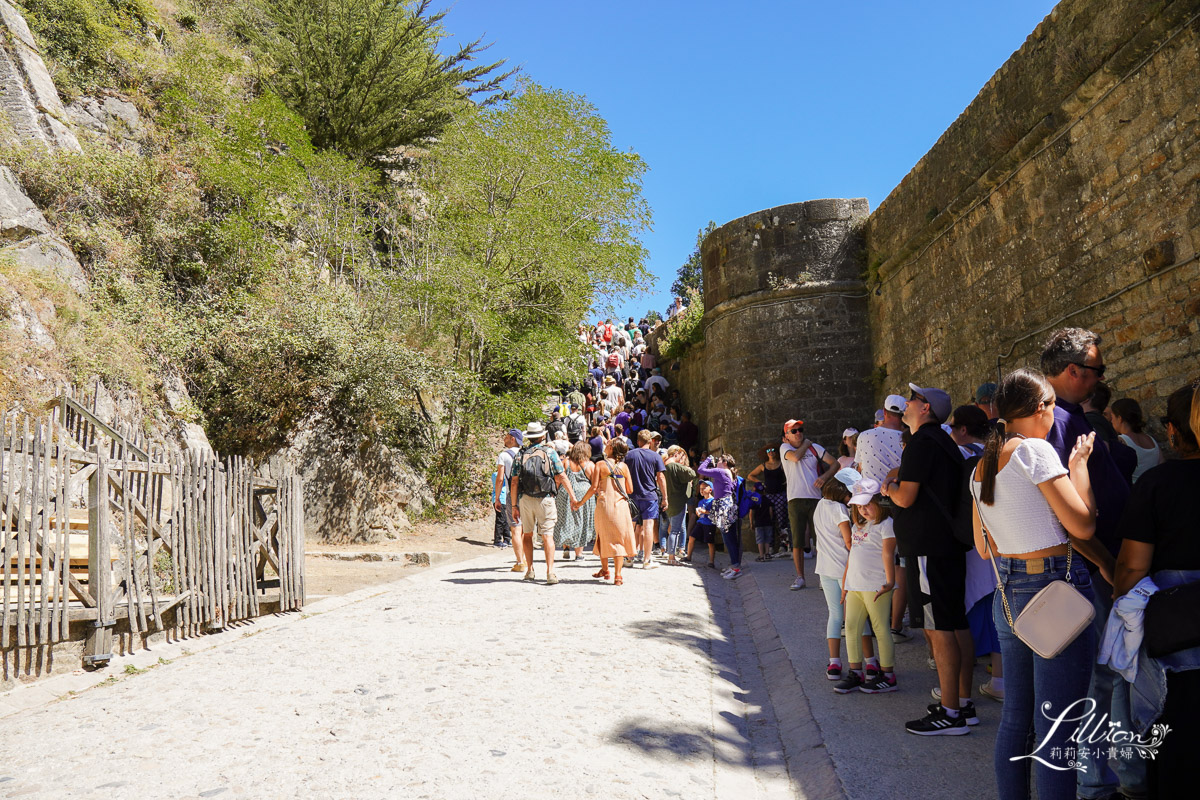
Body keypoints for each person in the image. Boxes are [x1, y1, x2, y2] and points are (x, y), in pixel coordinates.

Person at [969, 367, 1099, 793]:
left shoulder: (981, 467)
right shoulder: (1034, 452)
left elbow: (985, 547)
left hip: (1008, 594)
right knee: (1058, 726)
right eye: (1053, 406)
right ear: (1040, 408)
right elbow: (1082, 526)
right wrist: (1079, 467)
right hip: (1052, 590)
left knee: (1017, 720)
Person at [1039, 327, 1142, 799]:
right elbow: (1063, 515)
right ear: (1074, 370)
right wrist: (1105, 562)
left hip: (1107, 561)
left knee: (1111, 672)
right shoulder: (1057, 423)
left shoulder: (1070, 418)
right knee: (1105, 675)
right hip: (1095, 567)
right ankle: (1099, 780)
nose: (1102, 378)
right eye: (1098, 370)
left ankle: (1109, 777)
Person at [1113, 380, 1200, 797]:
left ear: (1173, 431)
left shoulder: (1158, 484)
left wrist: (1120, 607)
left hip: (1177, 628)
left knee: (1174, 730)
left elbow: (1133, 564)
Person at [882, 383, 975, 736]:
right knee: (955, 622)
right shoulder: (945, 442)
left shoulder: (921, 443)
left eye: (912, 400)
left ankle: (950, 713)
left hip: (927, 547)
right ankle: (961, 703)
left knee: (938, 629)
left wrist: (887, 487)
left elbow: (905, 498)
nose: (906, 403)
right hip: (946, 545)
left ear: (925, 409)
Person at [834, 478, 899, 694]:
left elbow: (888, 553)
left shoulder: (886, 525)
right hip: (855, 586)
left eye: (867, 504)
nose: (863, 510)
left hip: (876, 587)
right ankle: (856, 672)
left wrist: (890, 582)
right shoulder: (857, 525)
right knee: (852, 628)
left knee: (881, 629)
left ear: (879, 502)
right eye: (859, 506)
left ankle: (888, 676)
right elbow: (852, 555)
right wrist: (845, 585)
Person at [814, 468, 875, 682]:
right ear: (844, 491)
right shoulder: (840, 510)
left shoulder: (820, 505)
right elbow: (849, 542)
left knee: (835, 616)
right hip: (845, 570)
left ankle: (834, 662)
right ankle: (870, 662)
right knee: (858, 617)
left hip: (825, 568)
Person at [858, 395, 911, 634]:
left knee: (872, 558)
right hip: (899, 500)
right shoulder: (908, 438)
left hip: (872, 504)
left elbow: (859, 469)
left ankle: (872, 618)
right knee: (900, 564)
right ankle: (895, 625)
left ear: (884, 412)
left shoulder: (866, 436)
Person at [510, 422, 576, 586]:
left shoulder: (521, 454)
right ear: (542, 436)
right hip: (546, 498)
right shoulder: (550, 452)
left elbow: (514, 482)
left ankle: (530, 570)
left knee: (527, 534)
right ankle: (550, 572)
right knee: (547, 536)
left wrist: (514, 505)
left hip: (525, 498)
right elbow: (562, 476)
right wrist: (573, 497)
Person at [780, 419, 839, 590]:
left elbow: (835, 463)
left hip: (815, 499)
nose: (798, 433)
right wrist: (806, 443)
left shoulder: (815, 448)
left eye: (800, 430)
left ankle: (824, 577)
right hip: (795, 499)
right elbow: (796, 458)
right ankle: (800, 577)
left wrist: (824, 477)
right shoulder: (785, 448)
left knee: (820, 540)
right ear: (787, 436)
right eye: (794, 431)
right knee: (797, 541)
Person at [572, 438, 638, 585]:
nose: (606, 445)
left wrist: (580, 502)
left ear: (612, 449)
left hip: (604, 505)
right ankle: (618, 575)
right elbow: (630, 490)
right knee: (619, 539)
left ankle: (605, 569)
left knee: (603, 536)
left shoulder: (600, 465)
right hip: (621, 507)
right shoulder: (624, 467)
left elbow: (594, 487)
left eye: (608, 444)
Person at [624, 430, 668, 569]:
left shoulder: (629, 455)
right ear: (650, 442)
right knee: (649, 527)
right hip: (649, 496)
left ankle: (629, 558)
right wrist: (665, 498)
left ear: (638, 441)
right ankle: (647, 560)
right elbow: (660, 477)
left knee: (630, 527)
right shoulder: (655, 456)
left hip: (632, 496)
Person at [698, 453, 741, 578]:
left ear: (725, 462)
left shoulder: (721, 472)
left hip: (723, 507)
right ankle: (734, 565)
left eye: (719, 460)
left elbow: (701, 470)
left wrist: (708, 459)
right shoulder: (730, 473)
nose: (717, 462)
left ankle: (736, 568)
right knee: (730, 537)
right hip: (728, 506)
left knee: (728, 538)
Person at [746, 445, 791, 558]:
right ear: (766, 453)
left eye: (772, 450)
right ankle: (769, 547)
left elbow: (790, 474)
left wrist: (787, 482)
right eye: (768, 451)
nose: (770, 452)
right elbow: (750, 475)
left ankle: (783, 545)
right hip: (768, 495)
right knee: (769, 520)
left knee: (782, 520)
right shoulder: (763, 466)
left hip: (780, 494)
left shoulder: (781, 464)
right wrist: (760, 482)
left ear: (775, 452)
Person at [555, 441, 595, 562]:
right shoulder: (589, 465)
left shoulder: (565, 462)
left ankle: (566, 548)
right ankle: (579, 554)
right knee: (581, 522)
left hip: (565, 493)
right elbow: (594, 482)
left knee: (565, 520)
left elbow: (558, 479)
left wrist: (557, 491)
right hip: (584, 494)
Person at [1110, 397, 1163, 482]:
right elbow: (1161, 465)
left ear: (1119, 418)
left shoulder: (1121, 440)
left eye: (1112, 417)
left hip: (1137, 490)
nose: (1111, 421)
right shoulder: (1151, 440)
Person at [662, 445, 696, 565]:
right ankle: (671, 557)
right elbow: (692, 473)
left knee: (672, 529)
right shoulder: (675, 466)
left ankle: (671, 555)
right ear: (676, 453)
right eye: (681, 455)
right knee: (675, 531)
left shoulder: (664, 465)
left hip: (669, 501)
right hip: (678, 502)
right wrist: (682, 464)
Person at [495, 429, 523, 566]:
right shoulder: (526, 453)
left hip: (512, 494)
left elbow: (500, 479)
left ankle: (520, 561)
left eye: (506, 436)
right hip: (527, 495)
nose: (504, 438)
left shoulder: (504, 455)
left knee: (515, 528)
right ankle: (527, 559)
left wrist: (497, 498)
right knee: (525, 529)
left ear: (512, 439)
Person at [686, 480, 718, 568]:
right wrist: (698, 513)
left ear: (710, 490)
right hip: (700, 522)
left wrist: (705, 511)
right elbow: (700, 512)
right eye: (700, 488)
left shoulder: (713, 501)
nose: (701, 490)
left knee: (710, 542)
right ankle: (688, 556)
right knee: (692, 537)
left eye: (704, 488)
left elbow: (714, 512)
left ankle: (711, 561)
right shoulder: (701, 501)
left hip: (709, 524)